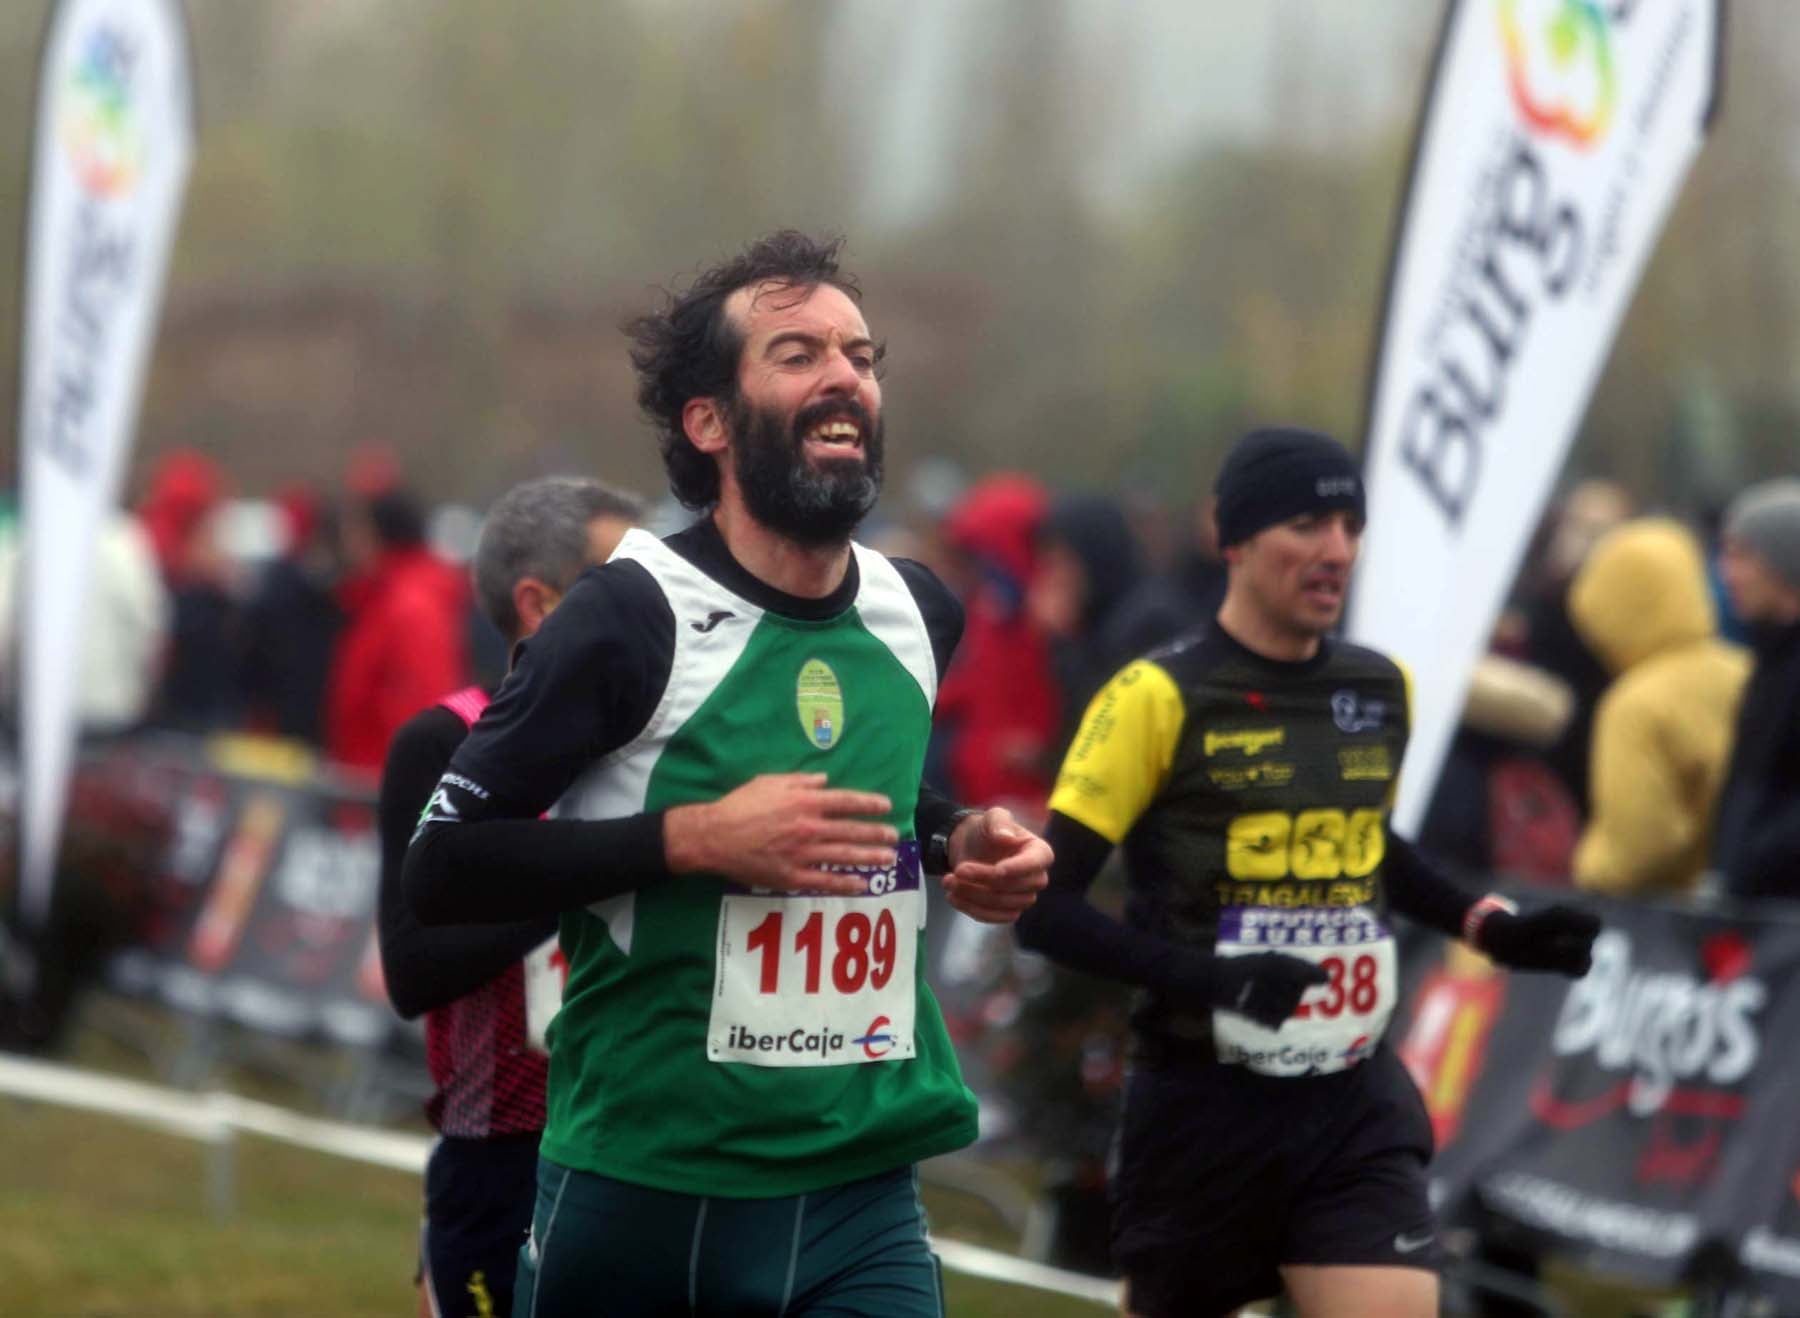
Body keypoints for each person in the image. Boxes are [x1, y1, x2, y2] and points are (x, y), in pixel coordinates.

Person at [403, 230, 1052, 1318]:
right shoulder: (628, 614)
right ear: (708, 420)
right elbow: (441, 867)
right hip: (645, 1186)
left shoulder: (918, 612)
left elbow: (869, 792)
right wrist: (691, 840)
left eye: (860, 353)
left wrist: (953, 838)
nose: (845, 374)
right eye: (797, 353)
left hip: (857, 1181)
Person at [1014, 426, 1601, 1318]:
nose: (1336, 550)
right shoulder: (1155, 695)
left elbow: (1367, 847)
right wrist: (1214, 981)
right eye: (1307, 524)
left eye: (1350, 527)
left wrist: (1490, 923)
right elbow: (1044, 910)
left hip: (1351, 1104)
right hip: (1204, 1112)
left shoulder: (1376, 688)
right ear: (1236, 540)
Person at [377, 475, 641, 1318]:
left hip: (644, 1142)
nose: (654, 610)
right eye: (622, 585)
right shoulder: (447, 742)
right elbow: (412, 969)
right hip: (501, 1153)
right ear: (538, 604)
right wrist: (595, 869)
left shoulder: (655, 749)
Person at [1567, 518, 1749, 897]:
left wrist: (1587, 869)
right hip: (1753, 908)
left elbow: (1639, 847)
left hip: (1667, 924)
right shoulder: (1745, 670)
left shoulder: (1636, 704)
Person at [326, 488, 470, 776]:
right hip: (368, 781)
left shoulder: (409, 605)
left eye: (358, 531)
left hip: (384, 790)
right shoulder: (383, 597)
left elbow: (422, 703)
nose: (349, 542)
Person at [1712, 478, 1800, 902]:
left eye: (1742, 555)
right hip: (1754, 919)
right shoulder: (1769, 659)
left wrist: (1756, 863)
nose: (1726, 574)